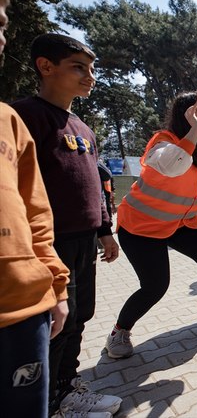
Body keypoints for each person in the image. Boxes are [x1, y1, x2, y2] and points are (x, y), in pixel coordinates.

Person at [11, 32, 122, 416]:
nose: (90, 76)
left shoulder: (83, 128)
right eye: (78, 67)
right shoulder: (26, 116)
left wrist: (105, 231)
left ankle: (67, 388)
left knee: (78, 315)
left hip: (84, 239)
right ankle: (47, 401)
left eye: (92, 69)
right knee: (54, 322)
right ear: (46, 66)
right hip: (46, 243)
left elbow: (95, 185)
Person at [105, 91, 197, 360]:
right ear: (185, 114)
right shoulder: (163, 142)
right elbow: (173, 165)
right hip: (141, 226)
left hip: (180, 223)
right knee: (155, 286)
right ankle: (119, 331)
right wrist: (194, 133)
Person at [0, 0, 70, 418]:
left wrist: (55, 285)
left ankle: (67, 391)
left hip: (24, 310)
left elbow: (35, 215)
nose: (1, 36)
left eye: (2, 25)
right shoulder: (30, 111)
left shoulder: (9, 122)